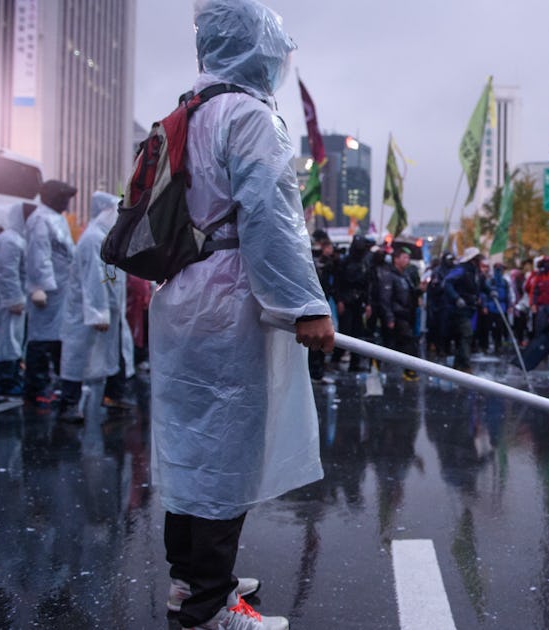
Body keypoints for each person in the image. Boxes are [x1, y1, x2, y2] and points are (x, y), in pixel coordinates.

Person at [149, 2, 333, 628]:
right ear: (257, 48)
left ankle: (191, 581)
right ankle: (210, 606)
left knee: (191, 443)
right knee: (226, 450)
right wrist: (305, 305)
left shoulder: (186, 110)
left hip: (183, 296)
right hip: (231, 299)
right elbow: (272, 221)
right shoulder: (251, 117)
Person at [57, 192, 135, 422]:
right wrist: (99, 312)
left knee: (115, 353)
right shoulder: (93, 239)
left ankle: (113, 395)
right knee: (78, 355)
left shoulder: (106, 237)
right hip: (89, 312)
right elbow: (93, 278)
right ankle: (68, 403)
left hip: (109, 310)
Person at [24, 179, 78, 407]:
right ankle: (35, 388)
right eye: (64, 196)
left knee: (56, 338)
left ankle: (49, 383)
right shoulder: (40, 218)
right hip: (48, 291)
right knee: (41, 339)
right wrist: (41, 286)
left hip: (61, 290)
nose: (67, 201)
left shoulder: (58, 219)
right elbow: (39, 255)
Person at [0, 203, 29, 397]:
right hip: (9, 301)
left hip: (14, 300)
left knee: (13, 341)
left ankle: (12, 379)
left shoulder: (15, 239)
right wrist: (14, 299)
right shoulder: (9, 240)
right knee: (8, 341)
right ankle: (7, 382)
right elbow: (7, 272)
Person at [377, 245, 420, 380]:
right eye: (404, 257)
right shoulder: (389, 276)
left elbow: (410, 295)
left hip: (407, 315)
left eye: (408, 258)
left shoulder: (405, 276)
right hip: (397, 315)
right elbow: (385, 298)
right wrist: (389, 317)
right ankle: (409, 370)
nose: (407, 260)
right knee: (406, 342)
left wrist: (421, 290)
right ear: (396, 259)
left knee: (396, 344)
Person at [444, 247, 485, 371]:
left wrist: (491, 291)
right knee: (466, 334)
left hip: (471, 309)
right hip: (460, 310)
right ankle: (465, 366)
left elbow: (483, 285)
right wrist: (456, 298)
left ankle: (458, 365)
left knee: (463, 337)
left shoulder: (476, 273)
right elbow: (447, 282)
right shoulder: (461, 270)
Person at [335, 235, 372, 372]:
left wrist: (368, 303)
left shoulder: (365, 263)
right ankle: (336, 358)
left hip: (359, 301)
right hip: (346, 299)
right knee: (345, 332)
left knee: (358, 332)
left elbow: (368, 284)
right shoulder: (345, 262)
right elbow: (338, 283)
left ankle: (355, 362)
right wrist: (339, 300)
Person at [309, 229, 339, 381]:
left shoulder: (329, 263)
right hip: (315, 304)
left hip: (325, 302)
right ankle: (315, 370)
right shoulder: (314, 263)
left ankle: (319, 369)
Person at [483, 262, 516, 353]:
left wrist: (509, 305)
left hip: (502, 307)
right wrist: (485, 306)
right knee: (489, 327)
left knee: (500, 327)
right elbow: (485, 294)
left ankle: (498, 345)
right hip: (491, 307)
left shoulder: (505, 282)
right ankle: (486, 345)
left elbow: (508, 295)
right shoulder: (490, 281)